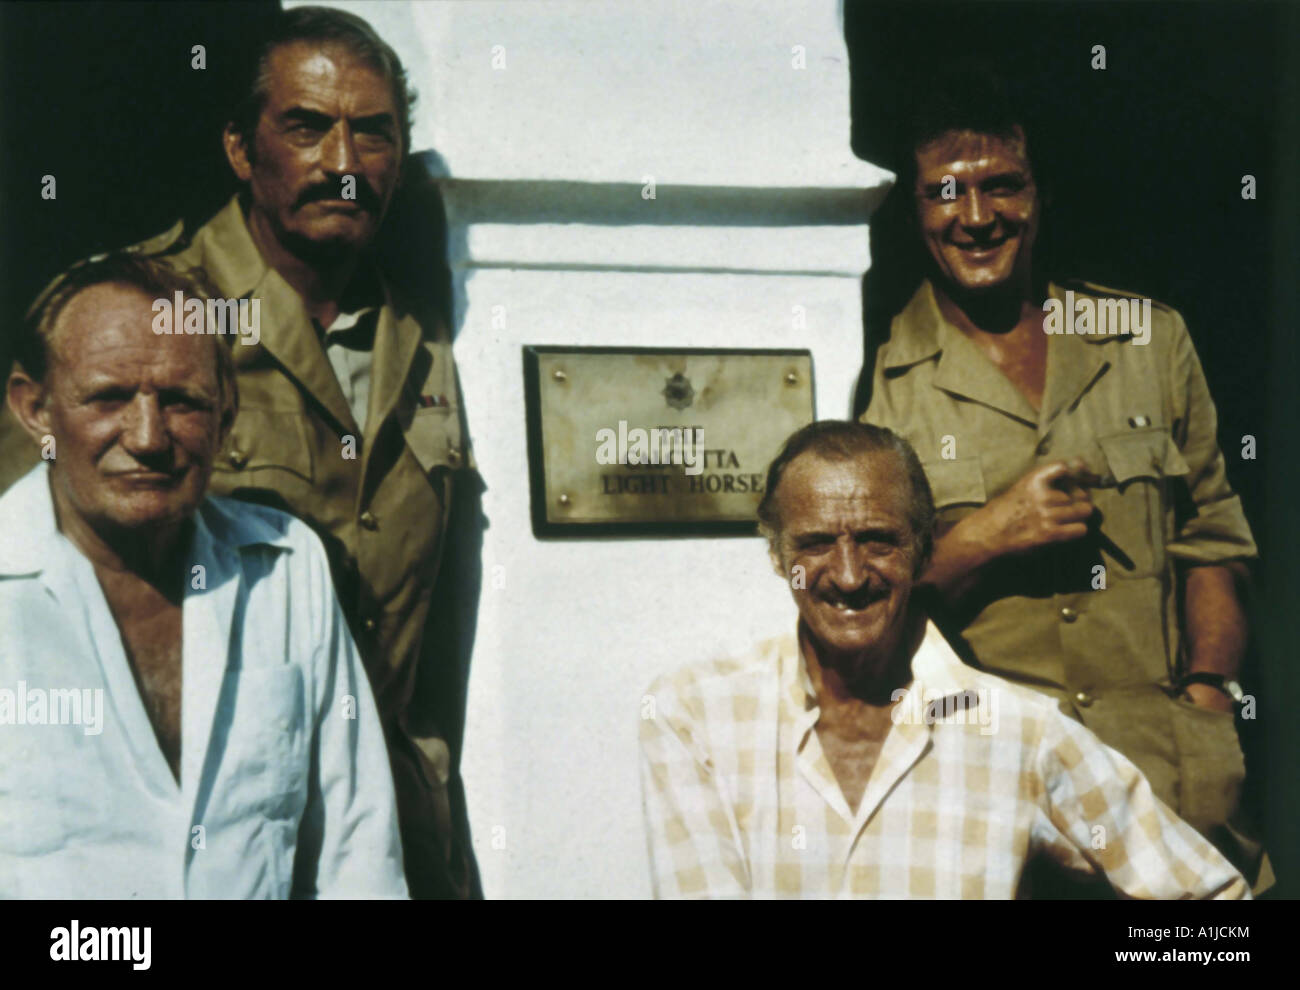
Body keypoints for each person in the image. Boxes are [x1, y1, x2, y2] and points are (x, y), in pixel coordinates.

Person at [0, 6, 478, 898]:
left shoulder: (428, 336)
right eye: (306, 128)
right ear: (237, 148)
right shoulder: (141, 315)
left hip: (374, 826)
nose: (343, 165)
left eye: (373, 135)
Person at [858, 65, 1266, 889]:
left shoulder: (1147, 341)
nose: (977, 217)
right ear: (915, 209)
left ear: (1038, 194)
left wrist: (1211, 697)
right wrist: (982, 536)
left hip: (1165, 782)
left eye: (1002, 186)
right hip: (994, 796)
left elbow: (1213, 541)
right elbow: (864, 598)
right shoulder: (883, 382)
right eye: (946, 192)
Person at [639, 420, 1248, 899]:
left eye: (879, 541)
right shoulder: (695, 716)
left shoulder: (1018, 732)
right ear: (776, 554)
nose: (849, 576)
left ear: (923, 545)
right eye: (817, 544)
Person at [0, 255, 405, 898]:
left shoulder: (285, 568)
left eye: (182, 401)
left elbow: (358, 850)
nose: (148, 436)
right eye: (108, 397)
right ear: (36, 410)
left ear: (226, 416)